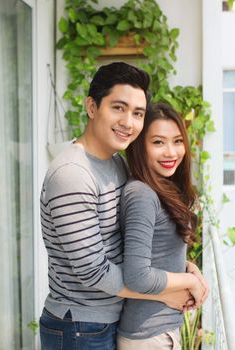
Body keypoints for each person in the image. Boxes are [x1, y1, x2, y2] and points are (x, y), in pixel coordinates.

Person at [38, 63, 193, 350]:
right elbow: (94, 272)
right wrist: (163, 292)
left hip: (104, 322)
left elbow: (129, 246)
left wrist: (179, 268)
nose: (128, 122)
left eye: (137, 113)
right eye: (118, 108)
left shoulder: (115, 163)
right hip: (78, 328)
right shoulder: (73, 174)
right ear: (92, 106)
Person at [117, 103, 209, 350]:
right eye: (158, 142)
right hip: (149, 337)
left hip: (161, 332)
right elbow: (137, 275)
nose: (171, 152)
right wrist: (189, 282)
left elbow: (156, 251)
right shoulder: (141, 194)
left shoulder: (162, 188)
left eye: (177, 141)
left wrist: (190, 268)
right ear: (140, 146)